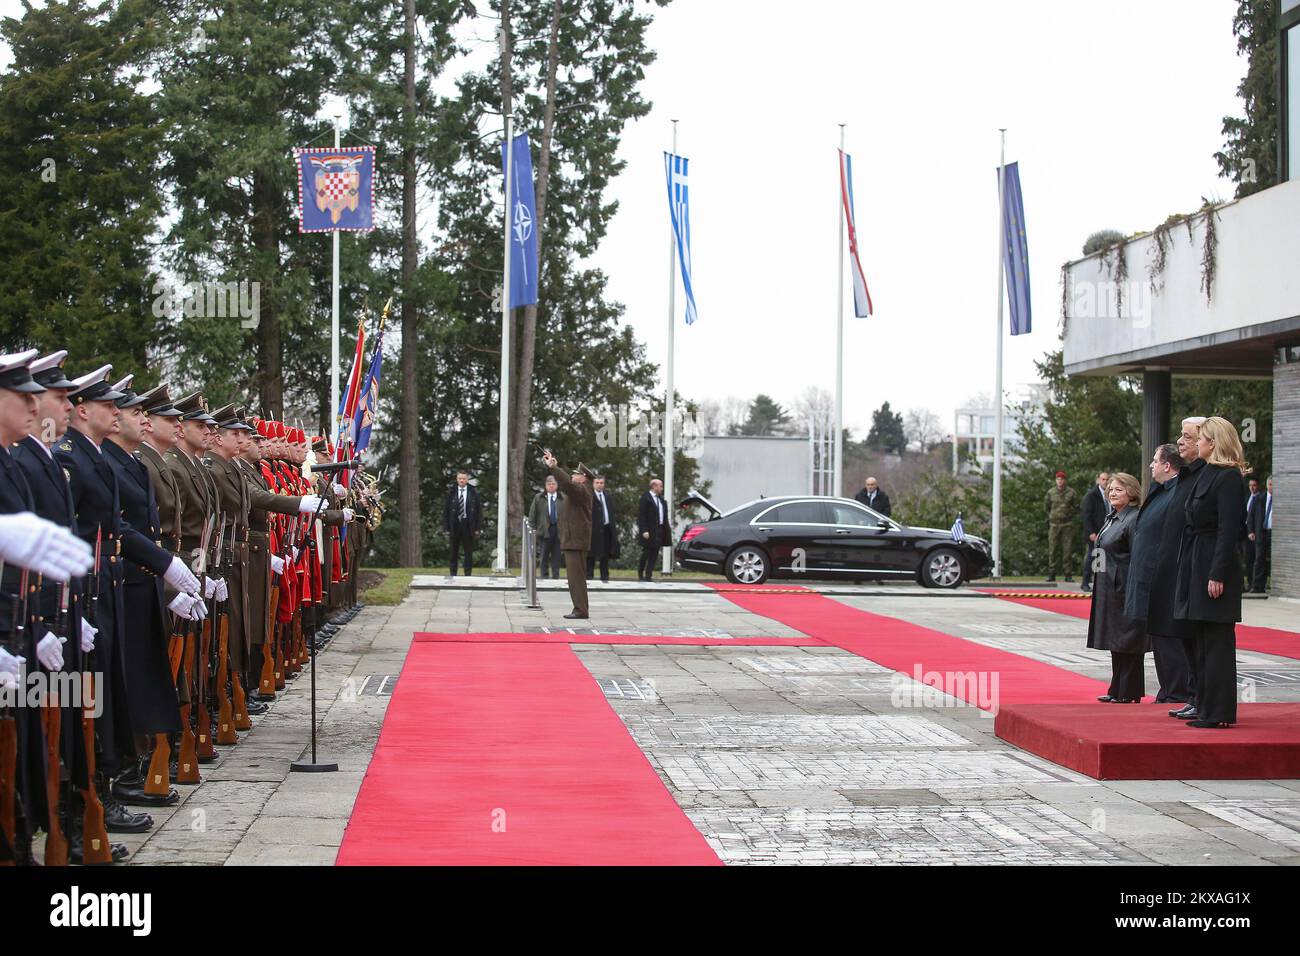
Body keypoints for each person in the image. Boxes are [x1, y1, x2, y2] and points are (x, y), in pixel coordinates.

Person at [1173, 416, 1249, 729]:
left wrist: (1217, 573)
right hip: (1196, 561)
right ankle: (1204, 705)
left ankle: (1218, 712)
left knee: (1216, 643)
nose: (1196, 443)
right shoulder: (1207, 474)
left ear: (1213, 443)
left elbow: (1228, 530)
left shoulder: (1228, 478)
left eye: (1201, 438)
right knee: (1201, 640)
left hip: (1215, 566)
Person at [1147, 417, 1208, 720]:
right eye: (1181, 436)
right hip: (1174, 566)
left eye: (1187, 437)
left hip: (1193, 568)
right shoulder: (1186, 477)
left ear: (1206, 440)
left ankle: (1195, 694)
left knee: (1195, 638)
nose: (1180, 442)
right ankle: (1190, 694)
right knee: (1180, 635)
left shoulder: (1209, 477)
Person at [1124, 444, 1191, 703]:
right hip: (1149, 574)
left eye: (1155, 461)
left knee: (1168, 636)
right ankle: (1169, 689)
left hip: (1163, 575)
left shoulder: (1178, 491)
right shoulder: (1162, 491)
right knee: (1158, 636)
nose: (1151, 465)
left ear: (1167, 465)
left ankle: (1177, 690)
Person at [1087, 473, 1148, 703]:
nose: (1112, 493)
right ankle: (1117, 687)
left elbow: (1138, 557)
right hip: (1107, 587)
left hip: (1124, 587)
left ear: (1131, 493)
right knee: (1115, 640)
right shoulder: (1112, 517)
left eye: (1118, 489)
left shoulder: (1133, 519)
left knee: (1128, 640)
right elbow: (1101, 549)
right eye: (1111, 489)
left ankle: (1128, 691)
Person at [541, 451, 592, 619]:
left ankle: (580, 610)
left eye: (576, 474)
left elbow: (567, 486)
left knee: (576, 579)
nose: (572, 475)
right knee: (575, 578)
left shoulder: (582, 490)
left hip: (576, 541)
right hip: (574, 540)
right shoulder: (581, 490)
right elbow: (567, 485)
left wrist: (554, 468)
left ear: (583, 477)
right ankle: (580, 608)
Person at [442, 470, 483, 576]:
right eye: (460, 478)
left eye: (464, 478)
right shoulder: (451, 492)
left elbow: (479, 512)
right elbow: (446, 511)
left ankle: (468, 573)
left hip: (468, 525)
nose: (462, 480)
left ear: (467, 479)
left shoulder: (473, 492)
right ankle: (453, 573)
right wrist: (446, 528)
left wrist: (477, 528)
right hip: (454, 525)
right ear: (457, 479)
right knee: (453, 552)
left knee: (468, 552)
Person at [1044, 471, 1079, 583]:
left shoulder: (1071, 493)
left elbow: (1076, 507)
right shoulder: (1051, 492)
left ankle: (1068, 574)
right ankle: (1051, 573)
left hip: (1067, 524)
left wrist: (1069, 515)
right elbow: (1046, 507)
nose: (1060, 481)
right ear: (1056, 480)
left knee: (1067, 550)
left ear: (1065, 480)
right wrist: (1052, 516)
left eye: (1062, 479)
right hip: (1054, 524)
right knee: (1052, 550)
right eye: (1058, 479)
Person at [1080, 471, 1111, 592]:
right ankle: (1085, 582)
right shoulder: (1091, 495)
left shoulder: (1109, 494)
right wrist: (1091, 532)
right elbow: (1086, 516)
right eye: (1103, 479)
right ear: (1098, 480)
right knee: (1091, 557)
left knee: (1101, 557)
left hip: (1105, 532)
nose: (1105, 482)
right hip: (1094, 532)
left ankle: (1099, 583)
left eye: (1107, 479)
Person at [527, 476, 563, 579]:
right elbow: (532, 515)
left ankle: (556, 575)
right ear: (546, 486)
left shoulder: (562, 498)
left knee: (557, 555)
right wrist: (533, 529)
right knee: (544, 555)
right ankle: (544, 575)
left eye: (553, 484)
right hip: (544, 530)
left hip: (558, 529)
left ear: (557, 485)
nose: (551, 486)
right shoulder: (539, 497)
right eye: (549, 484)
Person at [637, 478, 671, 582]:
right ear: (654, 486)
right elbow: (641, 516)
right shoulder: (645, 498)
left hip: (659, 530)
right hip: (649, 530)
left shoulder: (661, 500)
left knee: (655, 553)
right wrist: (644, 530)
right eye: (660, 486)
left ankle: (648, 575)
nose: (662, 488)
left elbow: (663, 516)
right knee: (646, 552)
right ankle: (640, 573)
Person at [587, 475, 620, 582]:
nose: (599, 485)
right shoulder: (589, 496)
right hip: (593, 529)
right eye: (597, 483)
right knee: (591, 554)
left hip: (606, 528)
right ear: (593, 484)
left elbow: (610, 512)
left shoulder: (607, 496)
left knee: (605, 554)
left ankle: (604, 576)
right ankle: (589, 575)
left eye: (601, 483)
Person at [1247, 476, 1272, 593]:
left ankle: (1268, 583)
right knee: (1259, 558)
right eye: (1270, 484)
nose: (1272, 487)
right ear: (1267, 485)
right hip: (1261, 532)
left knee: (1269, 559)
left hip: (1274, 533)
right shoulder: (1259, 499)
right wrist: (1251, 531)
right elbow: (1250, 516)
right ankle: (1257, 586)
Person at [1242, 477, 1261, 590]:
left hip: (1254, 532)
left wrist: (1252, 530)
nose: (1252, 488)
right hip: (1244, 531)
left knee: (1256, 559)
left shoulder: (1259, 498)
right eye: (1250, 485)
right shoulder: (1247, 498)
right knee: (1247, 559)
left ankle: (1255, 583)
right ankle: (1248, 582)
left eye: (1254, 485)